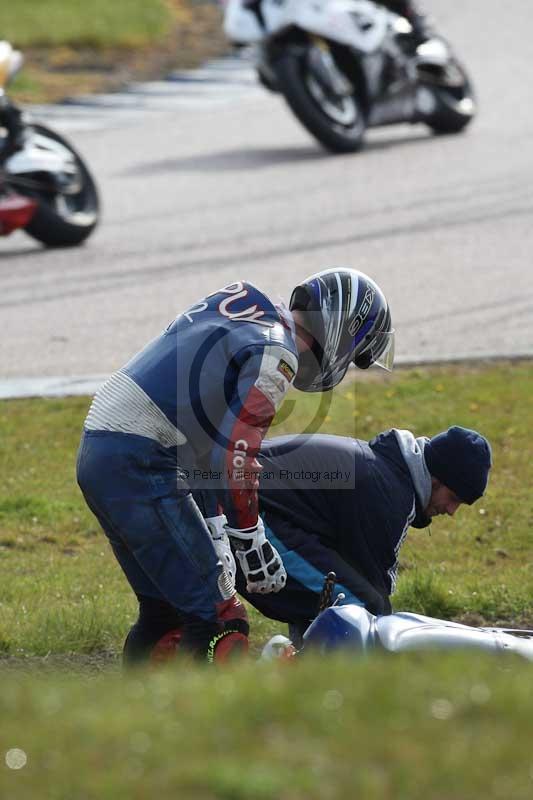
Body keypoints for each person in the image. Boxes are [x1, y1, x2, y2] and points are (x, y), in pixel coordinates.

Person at [76, 268, 394, 664]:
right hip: (141, 459)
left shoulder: (251, 307)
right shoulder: (278, 353)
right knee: (222, 623)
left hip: (106, 449)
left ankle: (142, 713)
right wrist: (248, 535)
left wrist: (216, 526)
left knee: (170, 615)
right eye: (358, 352)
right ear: (345, 330)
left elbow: (202, 439)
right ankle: (205, 723)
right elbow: (235, 455)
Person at [245, 425, 492, 646]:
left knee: (345, 594)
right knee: (362, 612)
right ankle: (336, 686)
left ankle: (307, 668)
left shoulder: (386, 469)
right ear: (437, 478)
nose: (451, 511)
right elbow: (376, 602)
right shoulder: (390, 494)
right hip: (247, 512)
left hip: (243, 499)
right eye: (454, 499)